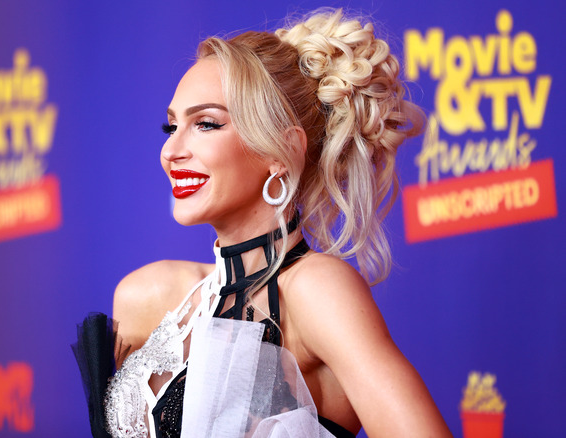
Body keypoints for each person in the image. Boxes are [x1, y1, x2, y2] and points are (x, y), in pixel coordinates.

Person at [76, 8, 452, 438]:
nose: (171, 151)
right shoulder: (146, 295)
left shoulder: (316, 290)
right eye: (171, 125)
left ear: (281, 150)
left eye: (206, 124)